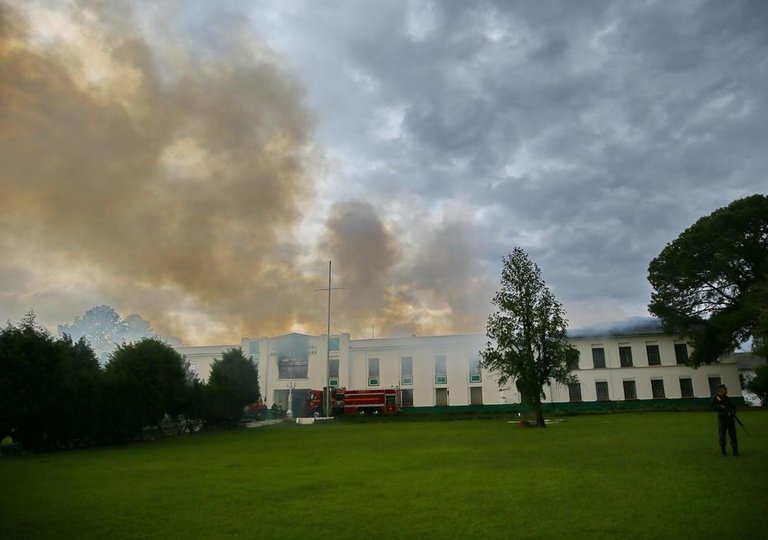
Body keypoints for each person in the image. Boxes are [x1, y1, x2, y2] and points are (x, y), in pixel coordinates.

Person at [711, 384, 738, 456]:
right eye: (725, 389)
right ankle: (723, 451)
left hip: (730, 419)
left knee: (733, 435)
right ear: (721, 390)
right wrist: (721, 407)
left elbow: (733, 407)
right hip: (722, 419)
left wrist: (732, 412)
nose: (726, 390)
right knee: (722, 436)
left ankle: (735, 451)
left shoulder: (727, 398)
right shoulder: (716, 398)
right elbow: (714, 406)